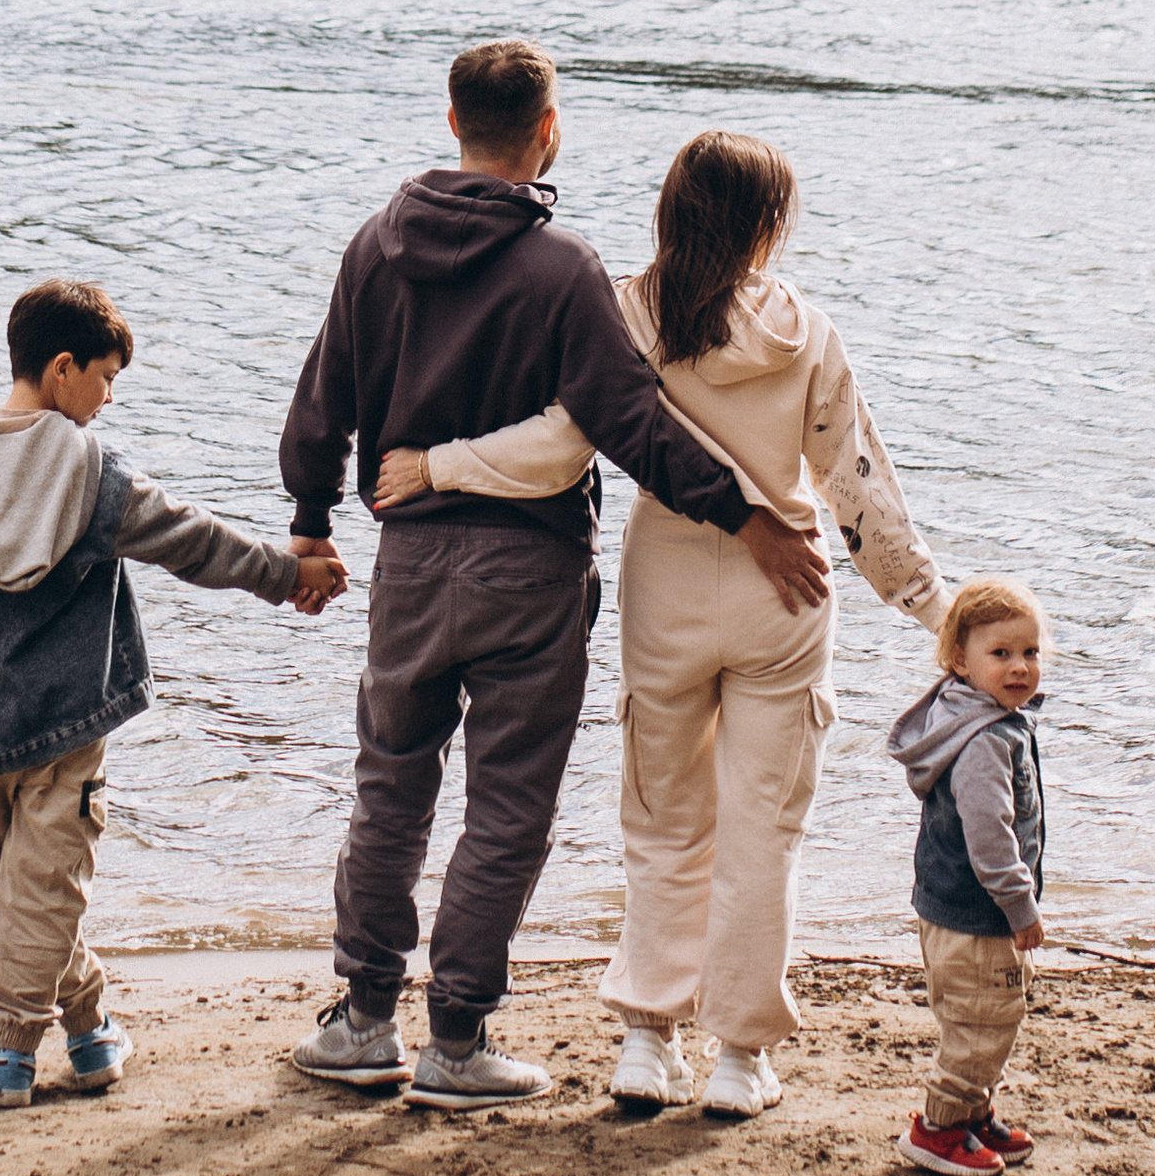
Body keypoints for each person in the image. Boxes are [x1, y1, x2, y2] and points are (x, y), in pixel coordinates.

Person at [281, 41, 830, 1113]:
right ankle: (455, 1038)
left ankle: (359, 1018)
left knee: (392, 779)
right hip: (528, 569)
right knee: (508, 802)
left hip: (408, 555)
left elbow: (322, 395)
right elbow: (627, 424)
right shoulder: (561, 266)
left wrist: (309, 525)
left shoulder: (373, 247)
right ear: (548, 129)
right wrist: (747, 513)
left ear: (451, 119)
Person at [384, 127, 946, 1123]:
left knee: (661, 821)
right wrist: (931, 607)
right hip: (789, 593)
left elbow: (557, 449)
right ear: (768, 223)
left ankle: (647, 1038)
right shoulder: (805, 329)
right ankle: (738, 1057)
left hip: (667, 587)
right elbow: (856, 488)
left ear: (672, 210)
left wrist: (441, 463)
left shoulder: (626, 310)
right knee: (762, 830)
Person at [0, 273, 342, 1112]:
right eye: (104, 378)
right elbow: (191, 540)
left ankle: (89, 1030)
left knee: (11, 886)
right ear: (62, 368)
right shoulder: (85, 474)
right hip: (66, 720)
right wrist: (286, 575)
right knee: (42, 885)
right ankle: (12, 1050)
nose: (104, 399)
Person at [886, 579, 1047, 1176]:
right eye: (1000, 654)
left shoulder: (974, 718)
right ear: (960, 660)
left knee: (984, 1013)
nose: (1019, 667)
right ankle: (939, 1128)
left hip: (951, 906)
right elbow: (990, 835)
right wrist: (1020, 906)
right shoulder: (982, 741)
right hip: (979, 913)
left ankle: (973, 1112)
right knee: (984, 1018)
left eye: (1029, 653)